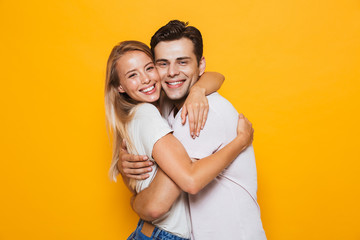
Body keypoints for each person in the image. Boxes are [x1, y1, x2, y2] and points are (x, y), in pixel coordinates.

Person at [119, 20, 267, 239]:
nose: (172, 72)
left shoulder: (199, 115)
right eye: (162, 64)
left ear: (201, 65)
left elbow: (156, 205)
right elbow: (218, 76)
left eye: (182, 62)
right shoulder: (171, 106)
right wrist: (198, 89)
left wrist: (133, 202)